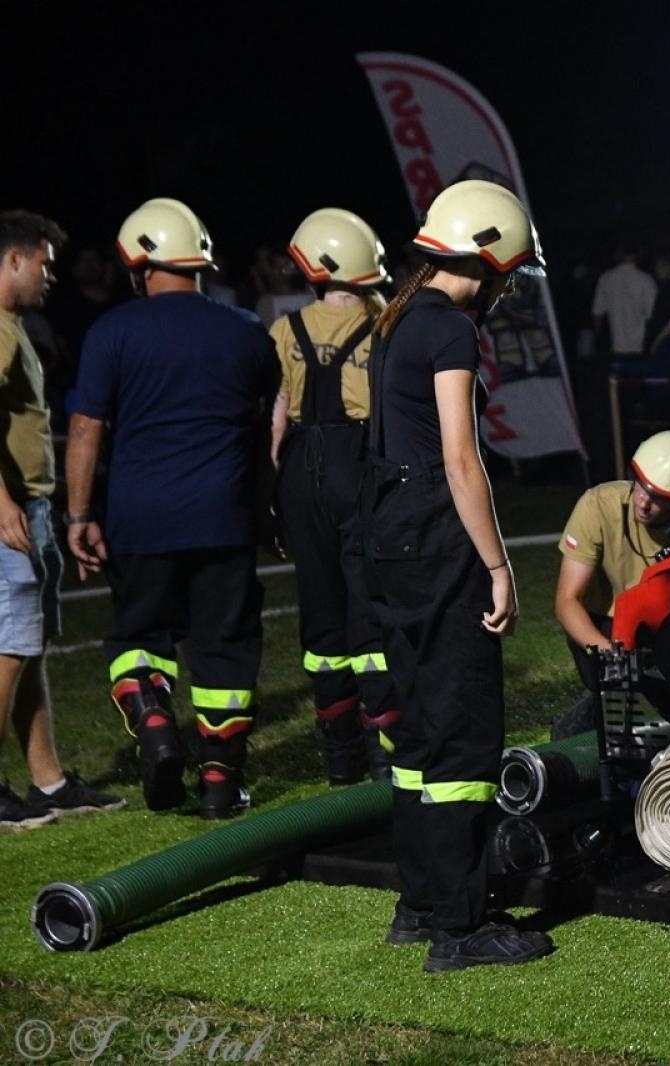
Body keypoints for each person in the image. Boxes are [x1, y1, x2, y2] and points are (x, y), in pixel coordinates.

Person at [361, 179, 553, 973]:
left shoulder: (399, 316)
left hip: (389, 536)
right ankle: (461, 926)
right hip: (439, 540)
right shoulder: (451, 330)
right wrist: (498, 566)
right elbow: (461, 459)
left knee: (415, 730)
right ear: (491, 258)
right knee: (462, 733)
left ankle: (421, 904)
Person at [65, 199, 277, 820]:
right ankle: (220, 782)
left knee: (138, 635)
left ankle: (154, 722)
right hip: (223, 515)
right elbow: (267, 431)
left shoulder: (111, 332)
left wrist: (78, 514)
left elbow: (85, 428)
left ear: (138, 264)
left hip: (139, 517)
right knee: (224, 648)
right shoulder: (247, 330)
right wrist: (265, 511)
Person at [0, 211, 124, 830]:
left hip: (33, 505)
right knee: (9, 645)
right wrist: (3, 504)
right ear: (13, 260)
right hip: (13, 510)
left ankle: (47, 781)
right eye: (44, 265)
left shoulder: (15, 326)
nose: (51, 276)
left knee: (30, 646)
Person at [269, 208, 398, 787]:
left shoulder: (284, 329)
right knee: (370, 606)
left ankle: (341, 758)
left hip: (301, 474)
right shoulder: (386, 324)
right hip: (361, 468)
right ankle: (388, 750)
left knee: (322, 619)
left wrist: (273, 494)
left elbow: (274, 422)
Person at [549, 430, 670, 740]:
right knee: (623, 696)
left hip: (667, 625)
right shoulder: (598, 506)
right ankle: (574, 727)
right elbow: (567, 600)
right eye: (641, 485)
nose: (644, 501)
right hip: (604, 624)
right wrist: (610, 654)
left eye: (660, 498)